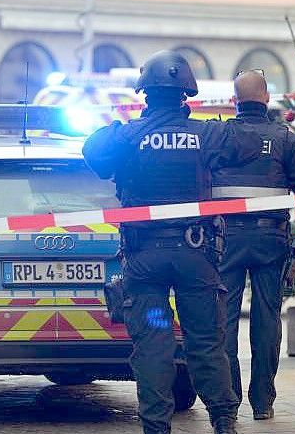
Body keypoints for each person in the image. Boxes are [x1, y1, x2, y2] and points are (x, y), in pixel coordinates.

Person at [83, 50, 263, 434]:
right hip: (194, 259)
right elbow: (247, 146)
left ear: (144, 92)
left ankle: (156, 427)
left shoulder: (127, 136)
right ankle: (223, 420)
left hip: (145, 261)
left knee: (153, 344)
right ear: (187, 93)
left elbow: (93, 154)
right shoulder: (208, 133)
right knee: (204, 341)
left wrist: (123, 129)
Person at [214, 70, 295, 420]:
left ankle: (228, 402)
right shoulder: (284, 138)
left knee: (225, 320)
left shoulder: (219, 135)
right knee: (266, 320)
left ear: (235, 101)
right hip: (270, 239)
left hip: (226, 239)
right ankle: (262, 402)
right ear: (265, 99)